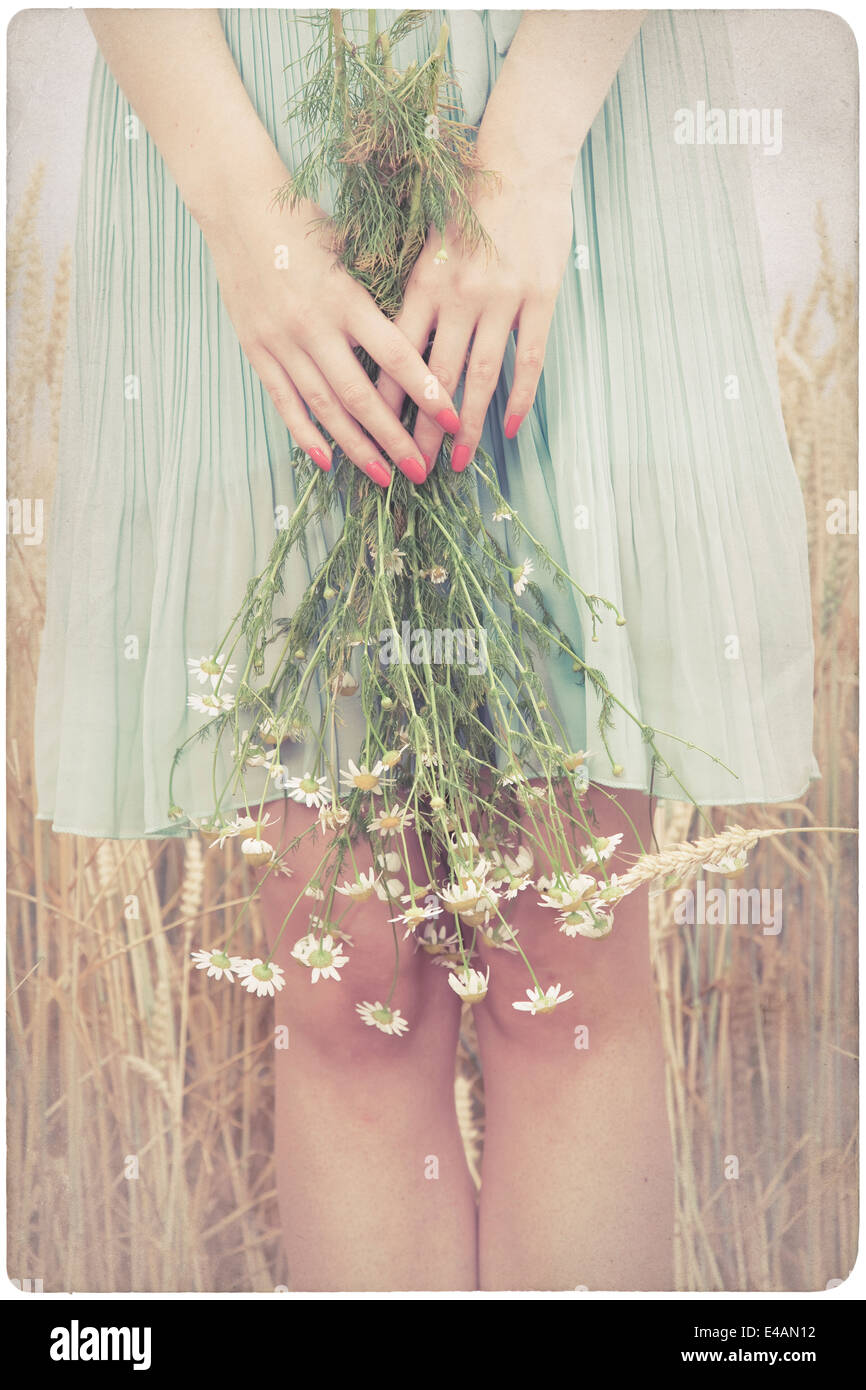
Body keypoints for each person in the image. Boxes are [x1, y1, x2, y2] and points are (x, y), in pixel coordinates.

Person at [35, 8, 817, 1291]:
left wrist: (530, 146)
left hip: (568, 90)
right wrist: (244, 215)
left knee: (557, 967)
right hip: (242, 105)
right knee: (349, 982)